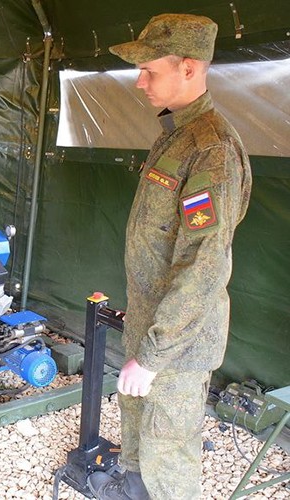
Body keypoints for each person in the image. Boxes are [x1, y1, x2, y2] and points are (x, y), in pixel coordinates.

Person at [87, 14, 252, 500]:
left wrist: (154, 356)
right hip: (152, 323)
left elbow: (204, 263)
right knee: (139, 433)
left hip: (177, 343)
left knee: (169, 455)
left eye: (151, 71)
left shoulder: (211, 149)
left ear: (189, 68)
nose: (140, 83)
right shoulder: (176, 136)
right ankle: (132, 488)